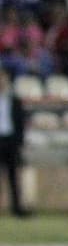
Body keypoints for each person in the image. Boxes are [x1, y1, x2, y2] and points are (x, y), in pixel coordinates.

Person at [0, 67, 31, 216]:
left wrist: (19, 141)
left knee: (13, 176)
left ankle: (17, 208)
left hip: (10, 140)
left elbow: (20, 122)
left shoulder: (14, 99)